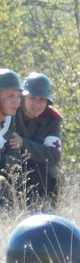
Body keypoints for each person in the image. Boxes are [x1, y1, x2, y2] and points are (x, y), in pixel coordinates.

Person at [8, 73, 63, 207]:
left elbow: (53, 156)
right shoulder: (9, 113)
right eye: (33, 98)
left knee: (48, 171)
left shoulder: (52, 121)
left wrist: (23, 144)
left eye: (42, 100)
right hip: (10, 168)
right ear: (23, 98)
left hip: (40, 176)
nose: (37, 104)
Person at [0, 69, 25, 211]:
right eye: (10, 96)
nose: (16, 102)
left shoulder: (10, 121)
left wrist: (3, 161)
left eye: (18, 96)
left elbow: (15, 160)